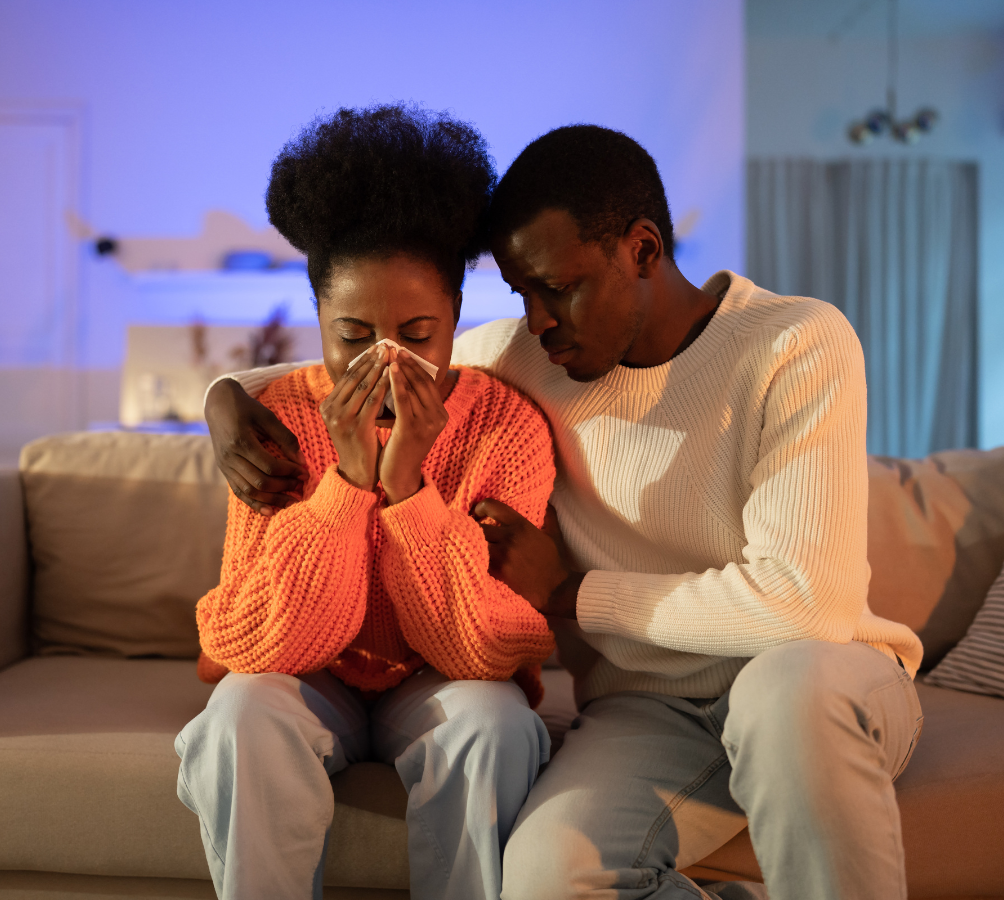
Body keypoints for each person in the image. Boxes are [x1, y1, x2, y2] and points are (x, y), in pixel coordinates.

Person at [205, 125, 925, 900]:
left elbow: (805, 606)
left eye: (560, 287)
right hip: (649, 712)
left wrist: (572, 595)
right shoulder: (536, 354)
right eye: (523, 295)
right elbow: (367, 361)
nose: (539, 318)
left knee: (786, 694)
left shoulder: (796, 343)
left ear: (642, 250)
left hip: (817, 678)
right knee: (545, 881)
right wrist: (224, 405)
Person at [175, 104, 558, 900]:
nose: (387, 363)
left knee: (496, 725)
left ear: (457, 319)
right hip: (312, 676)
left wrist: (409, 488)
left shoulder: (505, 427)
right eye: (353, 335)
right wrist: (348, 486)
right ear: (317, 321)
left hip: (439, 679)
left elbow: (483, 652)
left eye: (418, 333)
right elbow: (262, 644)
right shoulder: (275, 419)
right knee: (241, 716)